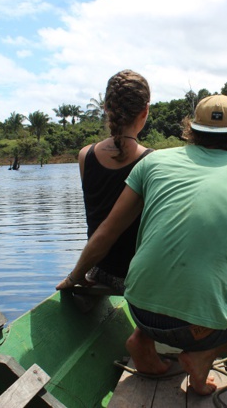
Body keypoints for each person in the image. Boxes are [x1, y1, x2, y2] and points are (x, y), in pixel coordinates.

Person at [57, 94, 227, 395]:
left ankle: (141, 341)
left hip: (138, 308)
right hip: (197, 332)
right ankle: (204, 356)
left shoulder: (153, 162)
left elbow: (105, 234)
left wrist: (74, 278)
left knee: (173, 271)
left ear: (191, 129)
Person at [75, 69, 153, 294]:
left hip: (98, 271)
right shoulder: (152, 161)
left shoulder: (85, 156)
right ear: (145, 110)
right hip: (134, 276)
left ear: (106, 109)